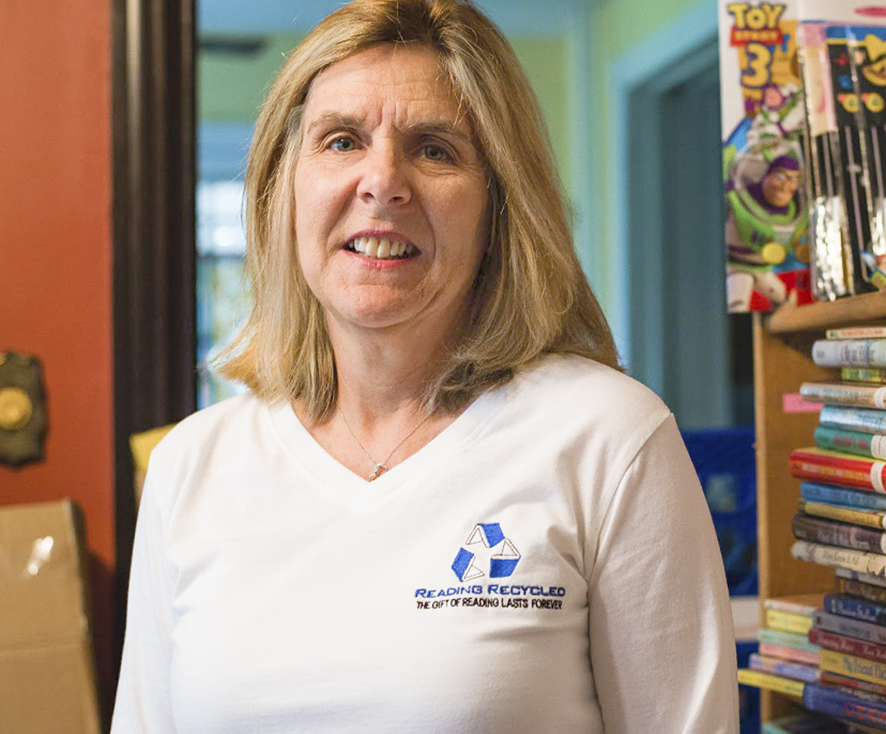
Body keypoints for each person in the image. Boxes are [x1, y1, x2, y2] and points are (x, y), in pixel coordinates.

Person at [111, 1, 737, 731]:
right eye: (341, 141)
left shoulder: (608, 439)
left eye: (435, 149)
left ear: (499, 204)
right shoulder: (191, 466)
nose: (383, 182)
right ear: (283, 190)